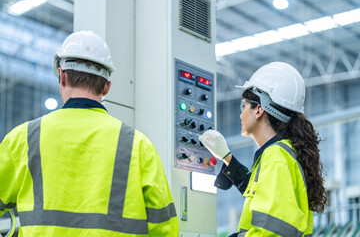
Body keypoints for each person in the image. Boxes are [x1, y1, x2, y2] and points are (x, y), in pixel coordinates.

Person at [0, 30, 179, 236]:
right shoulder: (139, 146)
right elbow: (166, 230)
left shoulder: (23, 139)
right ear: (106, 87)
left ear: (62, 76)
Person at [199, 62, 327, 237]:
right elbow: (263, 197)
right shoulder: (279, 154)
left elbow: (270, 231)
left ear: (258, 109)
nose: (240, 114)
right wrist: (226, 157)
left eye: (243, 106)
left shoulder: (276, 158)